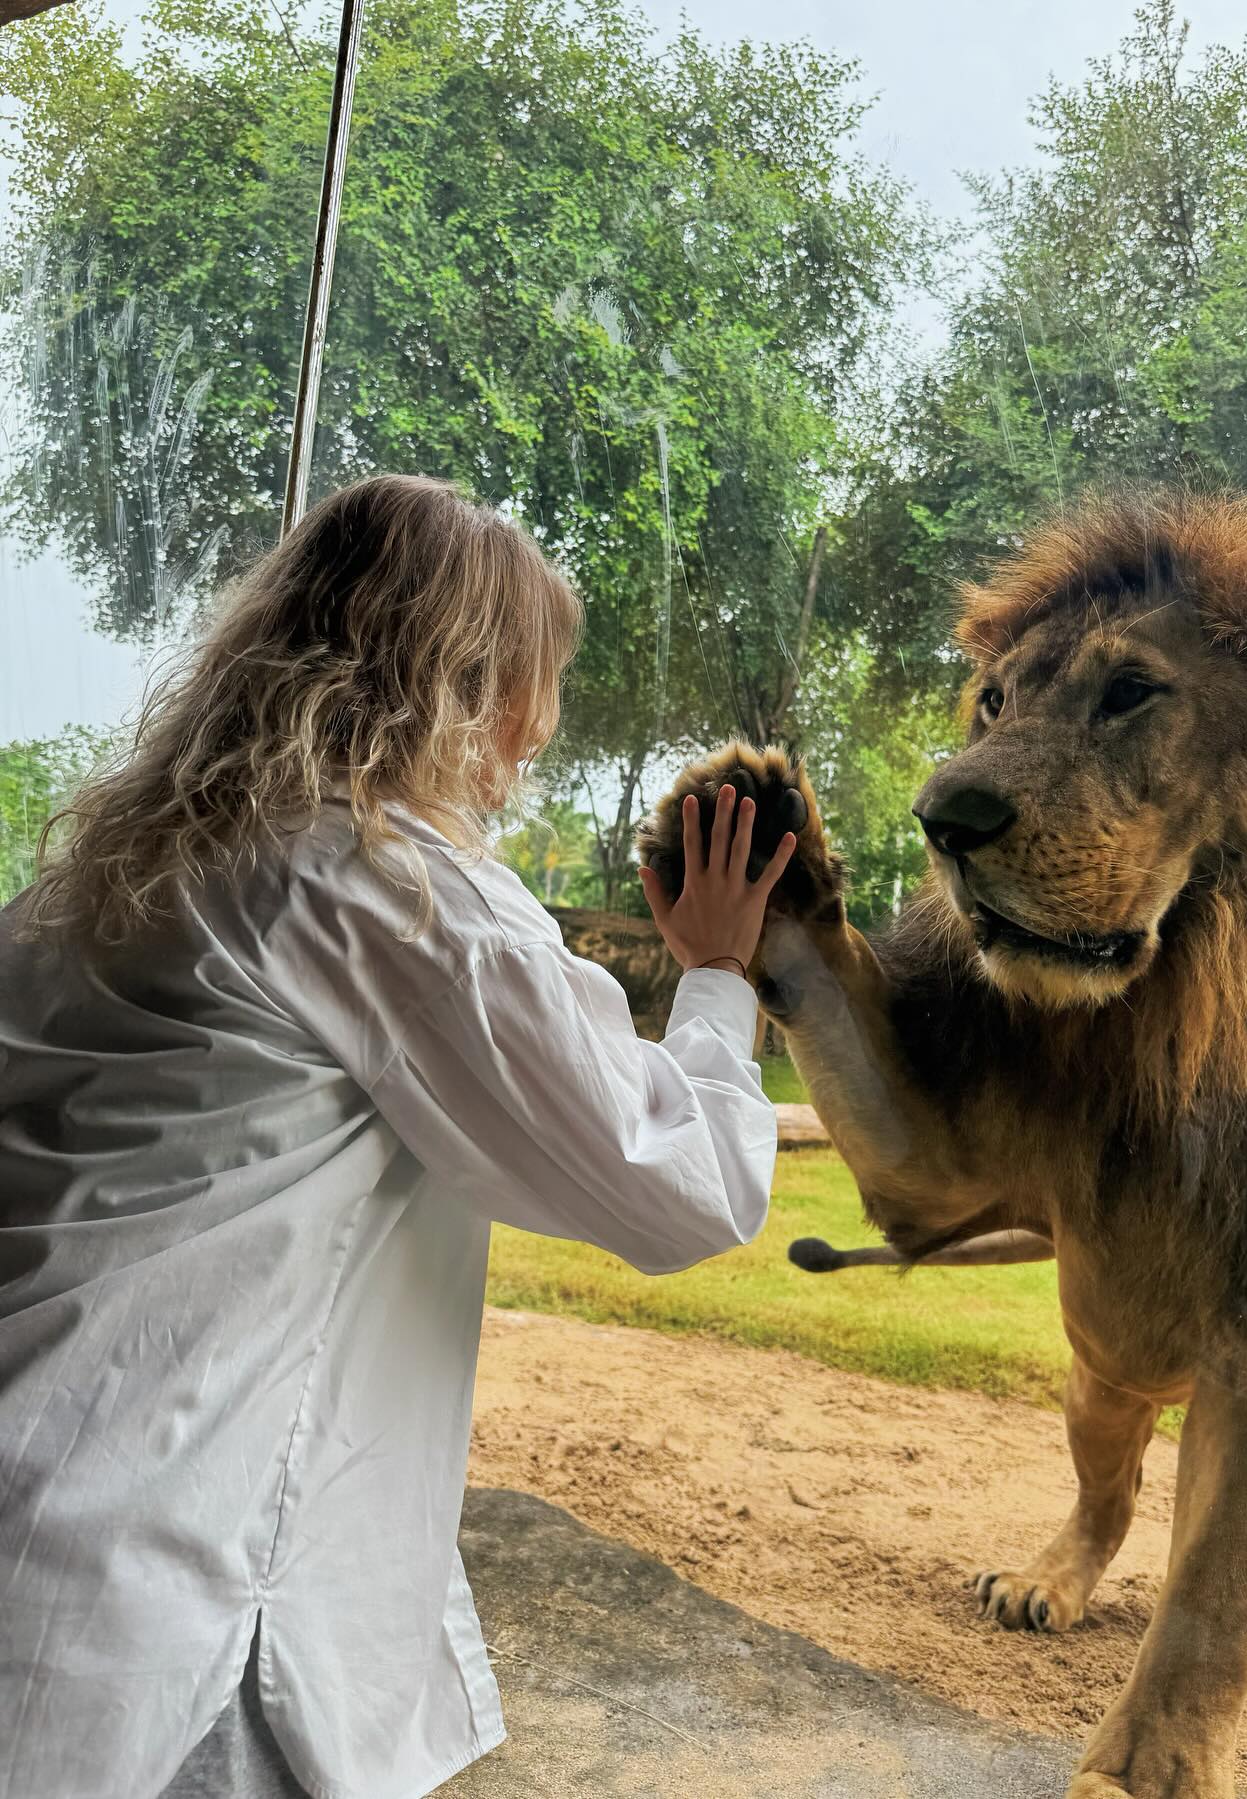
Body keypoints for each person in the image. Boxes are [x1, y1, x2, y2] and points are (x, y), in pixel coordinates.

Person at [0, 474, 795, 1799]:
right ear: (465, 685)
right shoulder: (383, 890)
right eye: (530, 688)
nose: (533, 739)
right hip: (164, 1579)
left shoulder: (95, 883)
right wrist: (716, 977)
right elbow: (675, 1186)